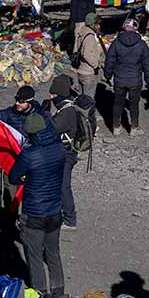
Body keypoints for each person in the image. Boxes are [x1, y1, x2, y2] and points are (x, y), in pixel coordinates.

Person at [13, 112, 68, 298]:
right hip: (54, 210)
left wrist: (25, 177)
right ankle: (59, 293)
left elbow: (13, 176)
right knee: (53, 253)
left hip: (33, 213)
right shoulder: (59, 149)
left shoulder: (29, 154)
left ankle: (41, 295)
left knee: (34, 256)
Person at [48, 74, 90, 227]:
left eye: (53, 94)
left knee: (63, 186)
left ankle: (70, 219)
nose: (51, 97)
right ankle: (61, 215)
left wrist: (45, 114)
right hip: (67, 152)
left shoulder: (66, 112)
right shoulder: (69, 105)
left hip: (66, 154)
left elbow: (52, 128)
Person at [103, 16, 149, 134]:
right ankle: (134, 127)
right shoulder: (141, 44)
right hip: (135, 80)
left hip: (119, 79)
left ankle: (116, 127)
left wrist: (107, 75)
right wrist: (148, 78)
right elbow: (147, 62)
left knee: (118, 103)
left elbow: (110, 60)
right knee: (134, 104)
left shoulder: (116, 43)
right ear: (136, 28)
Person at [71, 18, 105, 98]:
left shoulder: (82, 33)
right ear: (94, 25)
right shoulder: (90, 37)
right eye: (98, 24)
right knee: (88, 101)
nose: (99, 26)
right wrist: (96, 64)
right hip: (89, 72)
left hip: (81, 70)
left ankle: (79, 110)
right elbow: (86, 54)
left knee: (81, 98)